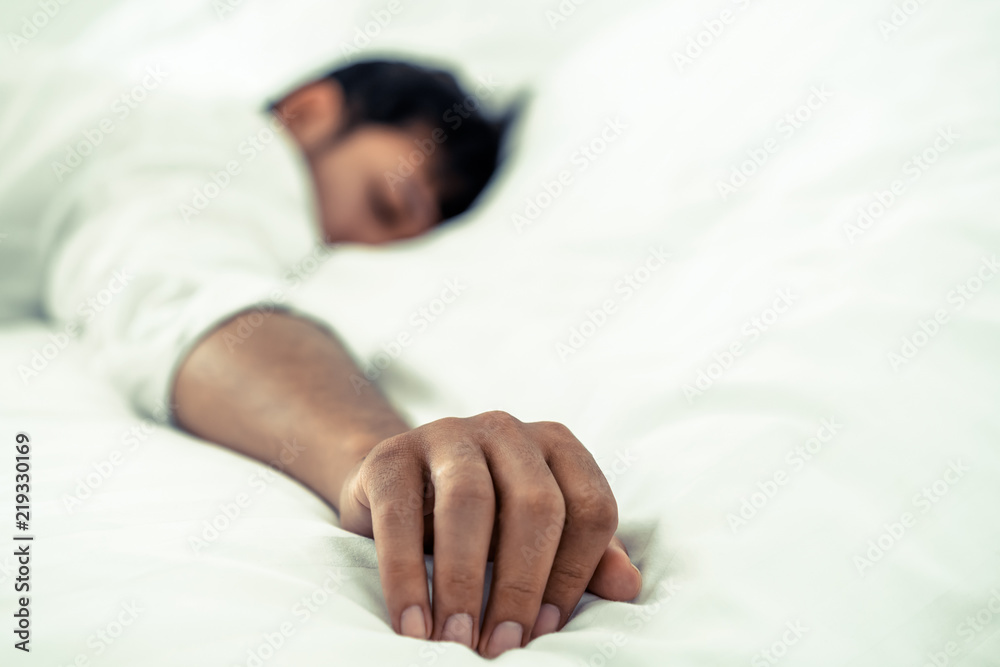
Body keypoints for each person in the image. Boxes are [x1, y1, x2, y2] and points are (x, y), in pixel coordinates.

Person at [0, 59, 641, 659]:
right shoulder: (228, 151)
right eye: (384, 204)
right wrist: (391, 456)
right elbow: (175, 289)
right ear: (309, 111)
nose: (360, 243)